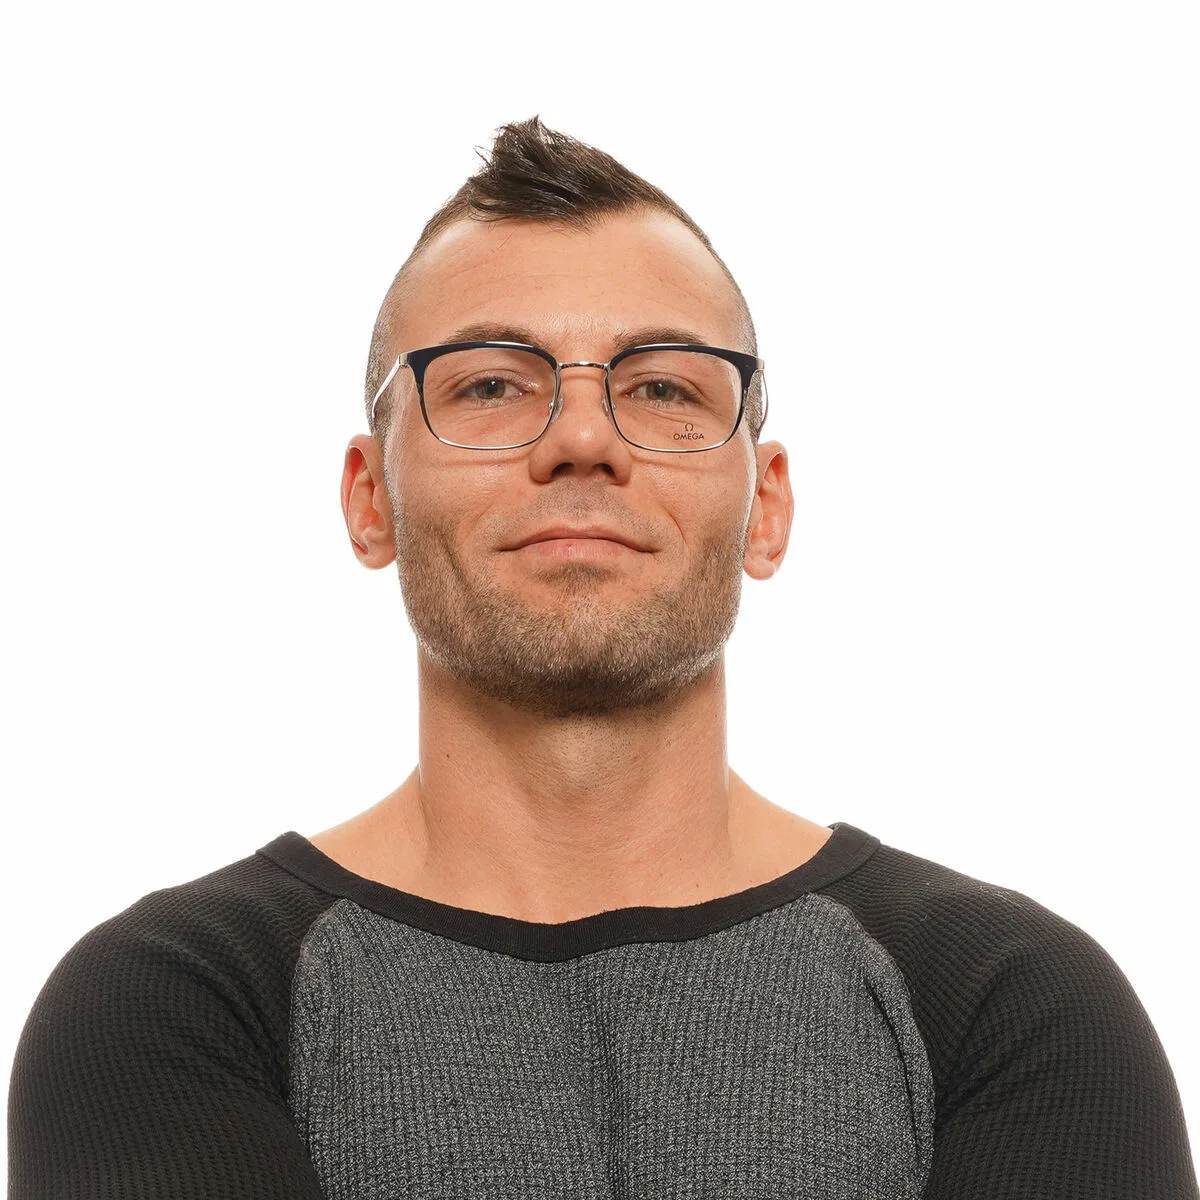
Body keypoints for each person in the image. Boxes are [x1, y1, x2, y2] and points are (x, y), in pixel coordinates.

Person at [7, 115, 1197, 1200]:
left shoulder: (1012, 1002)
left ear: (767, 507)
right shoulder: (168, 1002)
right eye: (489, 383)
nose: (582, 437)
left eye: (664, 386)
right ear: (370, 501)